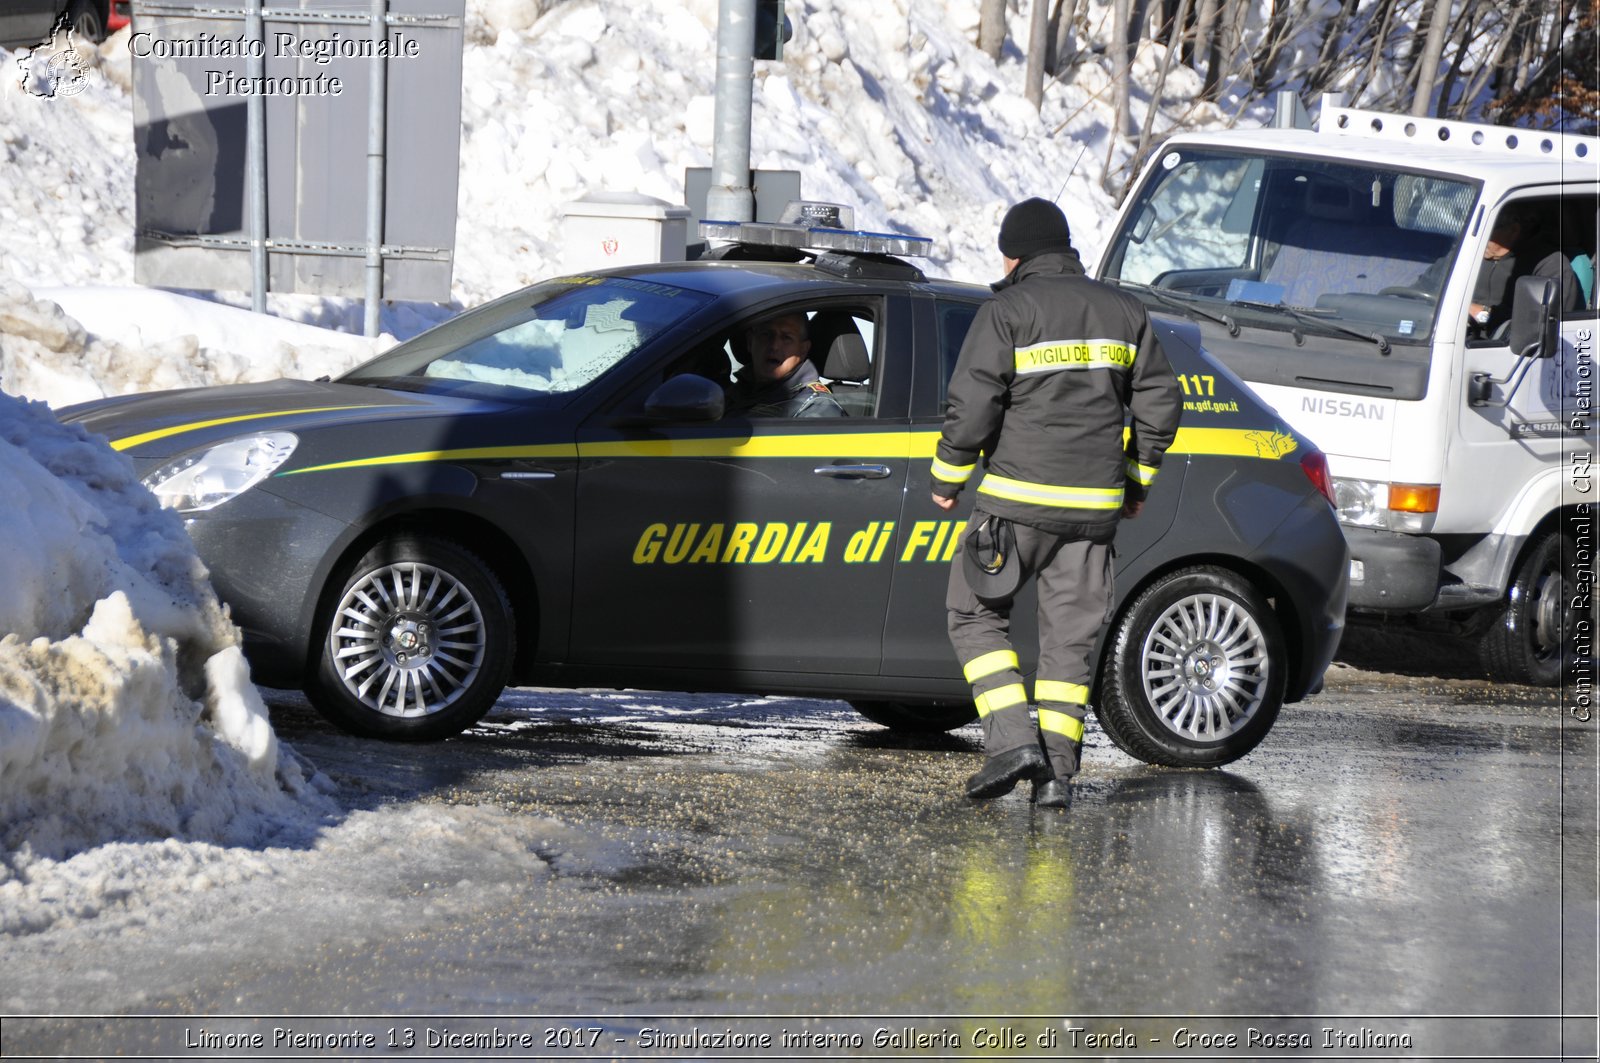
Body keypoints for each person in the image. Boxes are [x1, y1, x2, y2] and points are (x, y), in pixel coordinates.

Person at [931, 197, 1182, 810]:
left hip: (1015, 503)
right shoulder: (1126, 311)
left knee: (973, 615)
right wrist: (1137, 481)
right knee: (1069, 645)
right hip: (1093, 512)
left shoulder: (1007, 311)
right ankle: (1057, 778)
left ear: (1012, 254)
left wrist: (949, 476)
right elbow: (1160, 404)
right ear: (1065, 249)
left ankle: (1013, 742)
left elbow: (974, 402)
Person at [1471, 203, 1582, 334]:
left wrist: (1479, 313)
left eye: (1485, 232)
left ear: (1513, 230)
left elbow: (1539, 328)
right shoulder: (1471, 252)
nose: (1477, 240)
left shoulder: (1550, 267)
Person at [724, 312, 845, 418]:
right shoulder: (735, 391)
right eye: (766, 334)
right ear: (750, 342)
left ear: (803, 349)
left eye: (787, 338)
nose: (774, 346)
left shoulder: (816, 408)